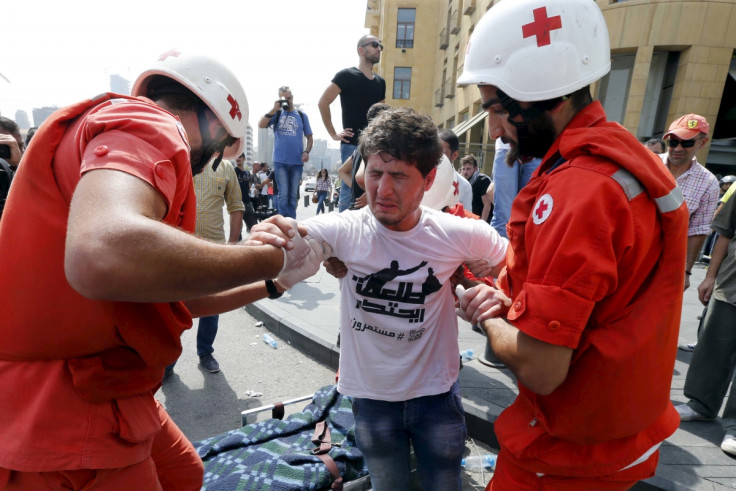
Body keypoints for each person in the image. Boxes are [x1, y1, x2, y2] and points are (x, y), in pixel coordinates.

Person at [0, 50, 322, 489]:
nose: (208, 166)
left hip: (96, 392)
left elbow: (175, 297)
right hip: (67, 413)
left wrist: (273, 281)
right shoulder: (152, 124)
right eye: (218, 152)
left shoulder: (121, 131)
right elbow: (103, 251)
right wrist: (270, 256)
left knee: (186, 473)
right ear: (214, 122)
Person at [455, 0, 689, 488]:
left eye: (497, 109)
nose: (495, 131)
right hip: (613, 433)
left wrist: (488, 314)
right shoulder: (621, 157)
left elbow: (541, 369)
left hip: (562, 458)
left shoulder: (578, 190)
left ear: (546, 96)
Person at [270, 107, 508, 490]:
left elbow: (521, 266)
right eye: (375, 174)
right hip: (371, 399)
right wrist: (275, 241)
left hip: (436, 396)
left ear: (429, 179)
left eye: (398, 176)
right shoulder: (346, 229)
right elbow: (302, 237)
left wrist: (499, 296)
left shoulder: (455, 233)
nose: (382, 191)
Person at [166, 155, 245, 378]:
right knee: (175, 308)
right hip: (180, 249)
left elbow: (236, 206)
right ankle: (168, 360)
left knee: (212, 307)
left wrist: (232, 247)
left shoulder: (226, 167)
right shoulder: (180, 159)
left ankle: (205, 352)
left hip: (214, 251)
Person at [675, 183, 736, 457]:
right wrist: (710, 277)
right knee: (713, 347)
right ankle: (701, 405)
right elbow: (723, 233)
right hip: (730, 284)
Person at [318, 34, 386, 212]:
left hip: (374, 147)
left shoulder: (380, 82)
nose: (379, 48)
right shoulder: (346, 75)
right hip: (352, 145)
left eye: (380, 46)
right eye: (374, 45)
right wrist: (333, 134)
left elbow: (381, 115)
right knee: (349, 194)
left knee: (370, 192)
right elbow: (323, 102)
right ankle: (342, 236)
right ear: (361, 50)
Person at [659, 113, 720, 290]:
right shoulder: (647, 164)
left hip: (667, 262)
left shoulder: (708, 183)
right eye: (672, 142)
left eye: (686, 143)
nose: (677, 148)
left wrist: (686, 271)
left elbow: (698, 230)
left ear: (702, 142)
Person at [259, 86, 313, 219]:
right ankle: (284, 224)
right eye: (283, 99)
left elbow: (310, 137)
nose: (286, 102)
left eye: (288, 98)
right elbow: (261, 124)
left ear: (292, 97)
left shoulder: (301, 115)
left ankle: (291, 223)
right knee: (283, 195)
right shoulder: (277, 114)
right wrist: (273, 109)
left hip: (296, 162)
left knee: (293, 196)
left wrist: (306, 151)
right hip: (280, 162)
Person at [490, 138, 541, 238]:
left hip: (536, 148)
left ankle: (520, 252)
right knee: (504, 215)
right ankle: (500, 252)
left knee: (528, 214)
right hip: (507, 145)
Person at [438, 129, 473, 211]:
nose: (437, 157)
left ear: (454, 155)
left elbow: (466, 219)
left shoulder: (464, 186)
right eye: (435, 151)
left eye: (442, 153)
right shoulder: (423, 179)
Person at [460, 153, 492, 221]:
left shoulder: (482, 180)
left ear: (475, 169)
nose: (465, 172)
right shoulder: (464, 182)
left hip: (482, 221)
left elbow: (487, 205)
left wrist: (482, 223)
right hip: (470, 219)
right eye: (463, 169)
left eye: (468, 169)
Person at [233, 153, 258, 233]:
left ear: (244, 158)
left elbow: (249, 185)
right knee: (237, 232)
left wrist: (253, 189)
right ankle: (237, 245)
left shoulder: (247, 172)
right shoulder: (233, 171)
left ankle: (254, 244)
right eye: (236, 156)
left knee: (254, 227)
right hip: (237, 204)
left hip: (248, 203)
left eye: (240, 157)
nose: (238, 158)